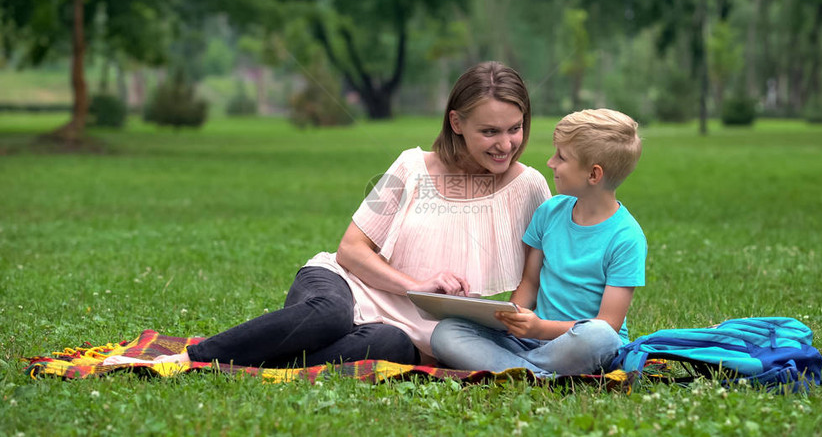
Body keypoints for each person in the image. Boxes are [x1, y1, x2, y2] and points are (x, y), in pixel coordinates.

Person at [105, 61, 551, 368]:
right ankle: (192, 359)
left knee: (390, 345)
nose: (506, 143)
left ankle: (260, 357)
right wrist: (416, 286)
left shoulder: (531, 187)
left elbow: (544, 280)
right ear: (456, 123)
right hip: (342, 285)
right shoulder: (410, 167)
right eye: (489, 131)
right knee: (328, 316)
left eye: (515, 129)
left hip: (412, 330)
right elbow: (351, 251)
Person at [431, 108, 646, 377]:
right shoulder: (549, 213)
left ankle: (515, 369)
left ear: (593, 175)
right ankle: (537, 374)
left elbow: (609, 323)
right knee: (446, 332)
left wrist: (540, 328)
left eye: (562, 157)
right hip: (531, 341)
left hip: (580, 343)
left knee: (600, 336)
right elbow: (530, 284)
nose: (551, 162)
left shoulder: (626, 237)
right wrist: (513, 318)